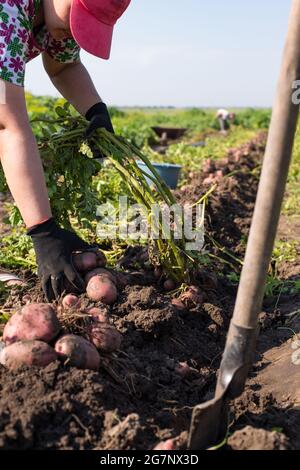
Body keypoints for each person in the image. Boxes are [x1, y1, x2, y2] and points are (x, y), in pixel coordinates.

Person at [0, 0, 131, 300]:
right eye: (76, 18)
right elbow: (6, 125)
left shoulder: (54, 18)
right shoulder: (6, 10)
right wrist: (43, 232)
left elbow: (64, 66)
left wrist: (95, 110)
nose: (72, 32)